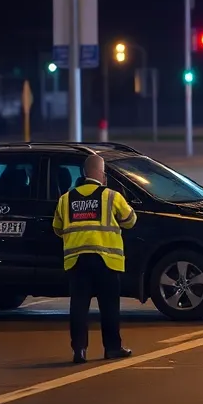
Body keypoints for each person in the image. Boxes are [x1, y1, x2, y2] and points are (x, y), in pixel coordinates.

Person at [52, 153, 137, 364]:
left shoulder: (66, 199)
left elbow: (57, 229)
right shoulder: (111, 196)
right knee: (109, 307)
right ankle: (112, 348)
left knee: (78, 306)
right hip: (106, 260)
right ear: (100, 173)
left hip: (76, 261)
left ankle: (79, 350)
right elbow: (130, 221)